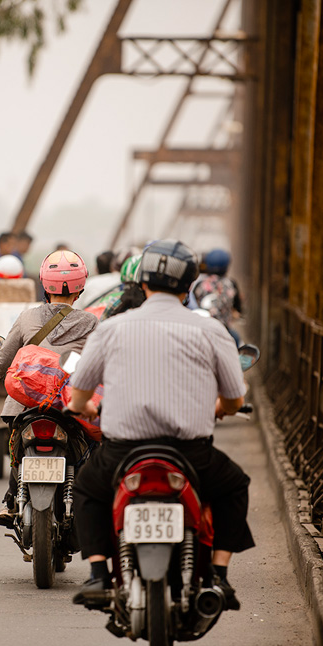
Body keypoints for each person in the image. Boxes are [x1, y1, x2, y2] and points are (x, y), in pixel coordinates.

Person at [65, 239, 253, 610]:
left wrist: (84, 408)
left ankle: (99, 574)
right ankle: (218, 576)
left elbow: (79, 392)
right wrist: (218, 408)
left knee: (87, 487)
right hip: (190, 453)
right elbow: (234, 398)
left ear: (143, 282)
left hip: (122, 451)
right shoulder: (212, 330)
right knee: (234, 487)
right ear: (188, 286)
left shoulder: (111, 328)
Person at [0, 250, 99, 524]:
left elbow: (2, 365)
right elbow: (99, 365)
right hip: (70, 405)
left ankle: (11, 501)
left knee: (17, 441)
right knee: (96, 446)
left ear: (43, 284)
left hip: (25, 405)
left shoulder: (27, 319)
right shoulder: (91, 323)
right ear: (80, 288)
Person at [190, 248, 243, 346]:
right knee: (237, 342)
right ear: (227, 267)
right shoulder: (231, 284)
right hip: (224, 331)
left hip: (201, 330)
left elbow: (192, 304)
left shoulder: (200, 285)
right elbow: (238, 309)